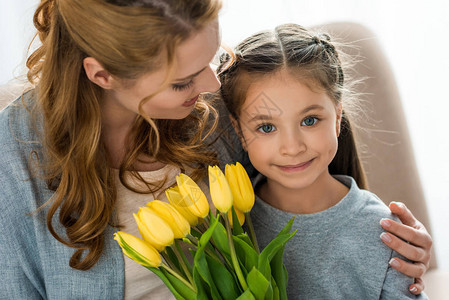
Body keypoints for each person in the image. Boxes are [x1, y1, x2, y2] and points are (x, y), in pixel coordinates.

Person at [0, 0, 431, 298]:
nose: (211, 85)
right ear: (102, 75)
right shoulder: (16, 155)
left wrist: (388, 248)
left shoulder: (216, 101)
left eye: (213, 57)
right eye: (182, 81)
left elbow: (302, 201)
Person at [217, 23, 429, 299]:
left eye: (309, 121)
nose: (292, 147)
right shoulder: (229, 225)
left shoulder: (385, 234)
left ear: (338, 116)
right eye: (267, 127)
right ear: (239, 131)